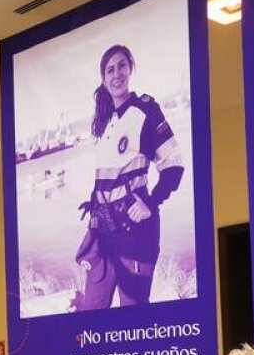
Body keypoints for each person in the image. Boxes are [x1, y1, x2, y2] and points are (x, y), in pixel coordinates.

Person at [74, 44, 185, 310]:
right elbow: (104, 177)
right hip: (104, 233)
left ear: (130, 68)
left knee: (133, 317)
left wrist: (151, 203)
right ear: (103, 78)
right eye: (110, 69)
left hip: (136, 233)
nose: (117, 74)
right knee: (92, 313)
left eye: (122, 65)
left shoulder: (145, 110)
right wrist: (94, 214)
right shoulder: (105, 122)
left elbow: (173, 164)